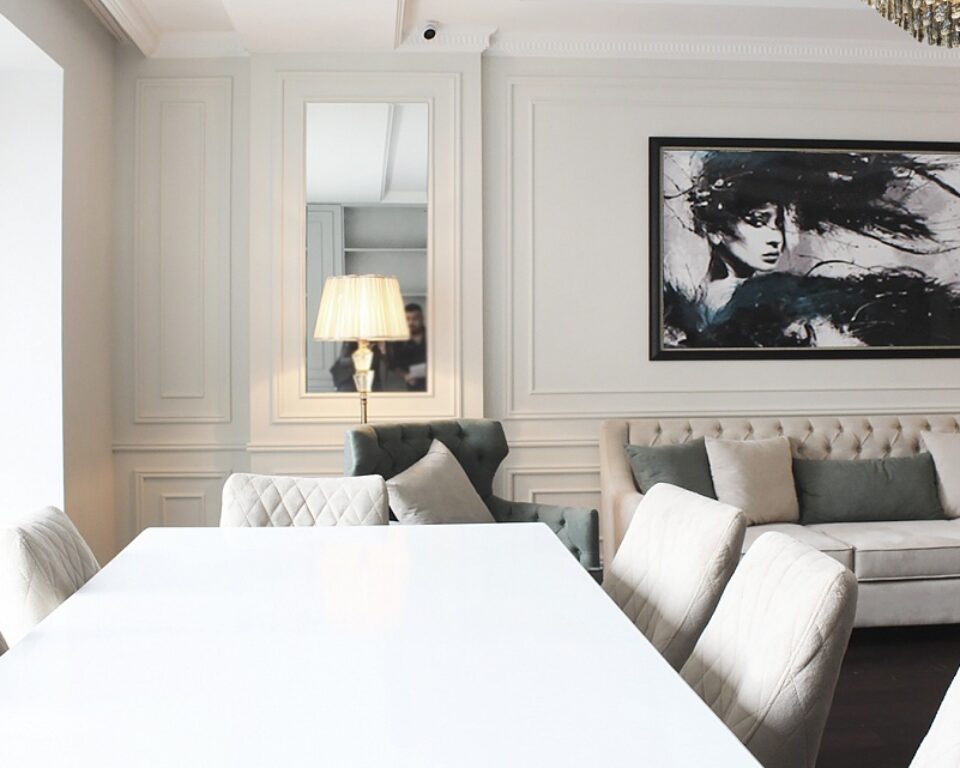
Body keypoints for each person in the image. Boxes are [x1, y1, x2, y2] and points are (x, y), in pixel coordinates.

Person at [663, 149, 960, 350]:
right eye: (758, 222)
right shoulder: (675, 313)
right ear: (714, 230)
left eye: (779, 223)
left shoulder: (788, 301)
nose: (776, 238)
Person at [389, 303, 427, 391]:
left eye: (415, 318)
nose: (411, 322)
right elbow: (393, 365)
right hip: (408, 384)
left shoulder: (433, 337)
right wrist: (405, 375)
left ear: (422, 318)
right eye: (407, 319)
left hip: (435, 382)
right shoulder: (398, 341)